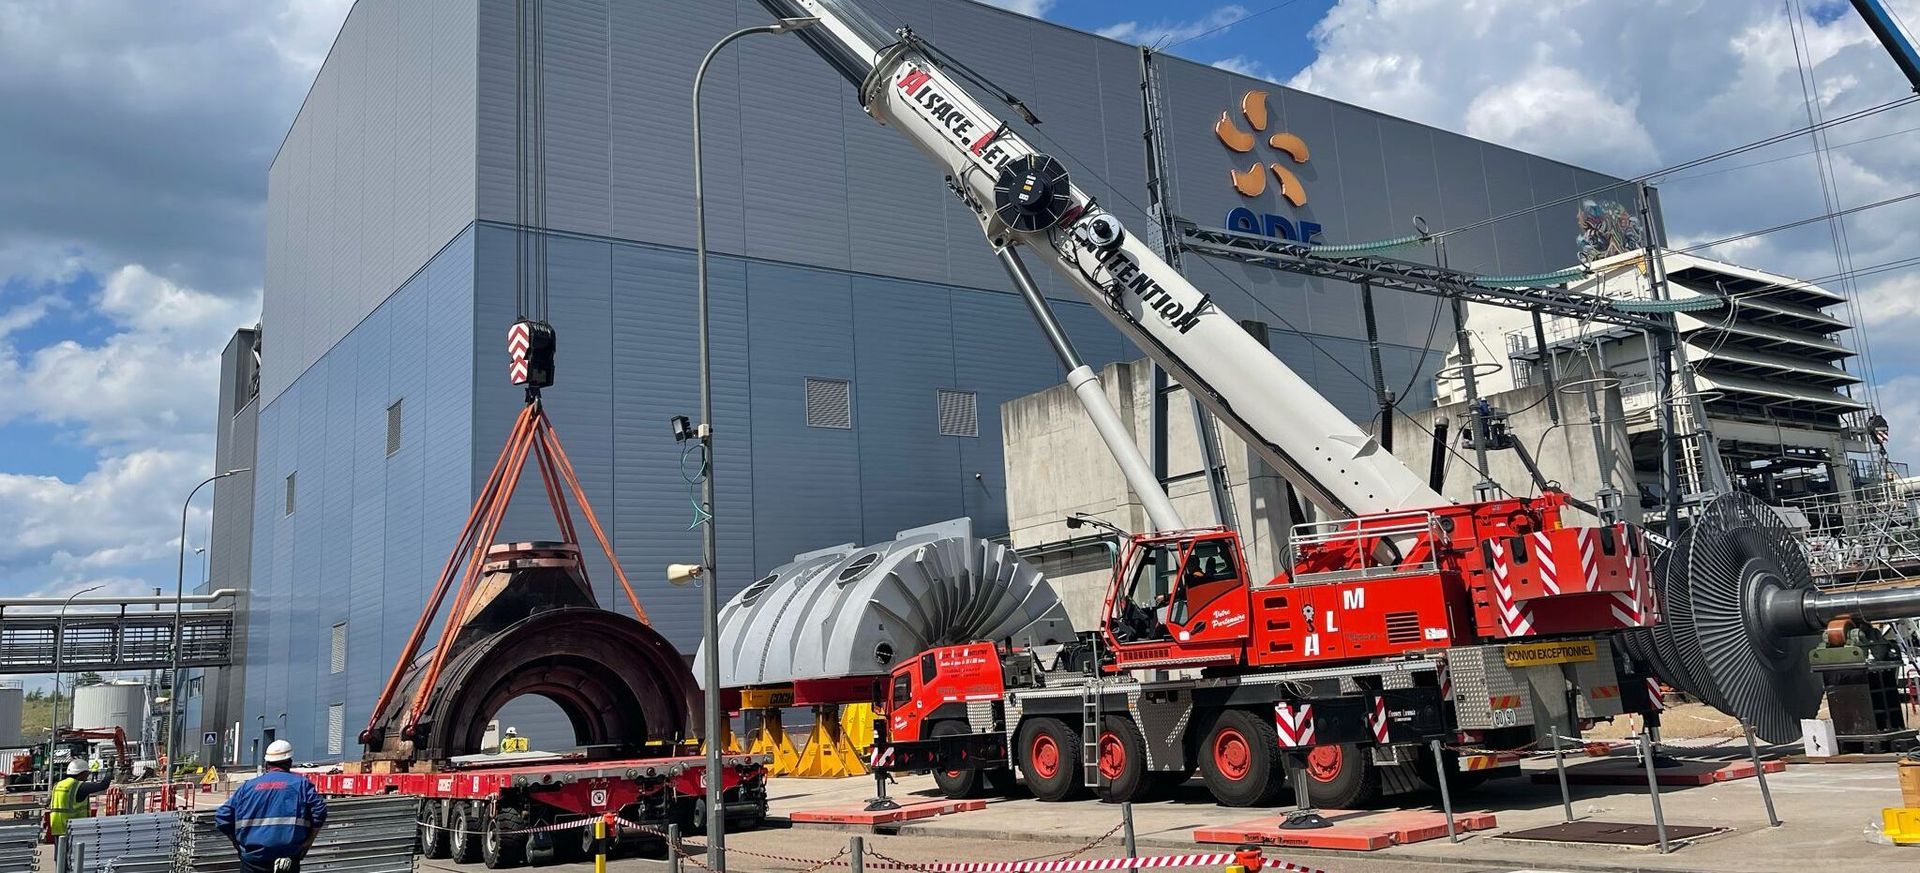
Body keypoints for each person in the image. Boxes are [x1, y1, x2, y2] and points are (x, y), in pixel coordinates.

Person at [216, 740, 327, 873]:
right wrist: (309, 841)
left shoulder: (247, 787)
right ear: (290, 762)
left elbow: (222, 816)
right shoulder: (301, 784)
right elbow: (319, 811)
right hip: (287, 860)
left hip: (252, 860)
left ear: (266, 764)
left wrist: (236, 843)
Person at [46, 759, 112, 838]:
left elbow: (49, 801)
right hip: (74, 828)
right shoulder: (79, 786)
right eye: (87, 773)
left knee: (60, 849)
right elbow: (103, 785)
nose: (87, 776)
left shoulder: (57, 785)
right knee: (75, 850)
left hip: (57, 828)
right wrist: (110, 768)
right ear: (82, 773)